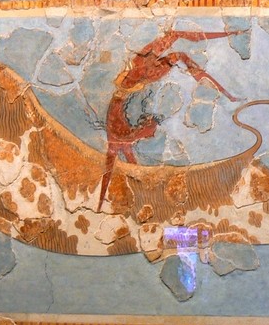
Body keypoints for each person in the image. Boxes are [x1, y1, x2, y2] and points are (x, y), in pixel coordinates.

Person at [98, 28, 240, 210]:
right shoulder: (142, 72)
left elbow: (177, 43)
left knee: (123, 161)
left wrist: (226, 93)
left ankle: (115, 204)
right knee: (122, 161)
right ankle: (109, 204)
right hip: (121, 115)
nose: (151, 132)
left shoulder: (143, 69)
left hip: (121, 114)